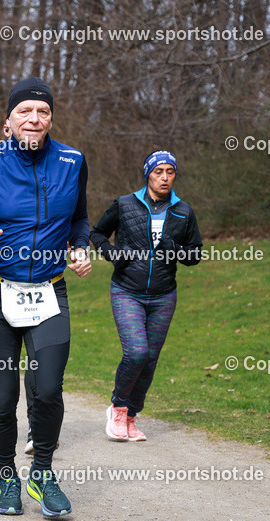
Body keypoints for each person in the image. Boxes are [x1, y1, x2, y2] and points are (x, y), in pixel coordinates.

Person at [0, 76, 91, 518]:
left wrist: (80, 247)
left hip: (48, 291)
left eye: (42, 112)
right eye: (24, 111)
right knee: (4, 397)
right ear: (7, 120)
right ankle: (7, 477)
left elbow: (80, 219)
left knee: (47, 389)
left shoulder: (72, 161)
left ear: (51, 119)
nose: (34, 118)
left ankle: (42, 474)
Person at [90, 151, 202, 442]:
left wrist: (174, 248)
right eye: (158, 172)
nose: (164, 177)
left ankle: (130, 416)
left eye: (170, 172)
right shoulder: (125, 204)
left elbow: (195, 255)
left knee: (150, 359)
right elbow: (97, 233)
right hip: (127, 290)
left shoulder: (184, 211)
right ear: (147, 175)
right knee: (137, 352)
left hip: (164, 295)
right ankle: (117, 407)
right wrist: (113, 254)